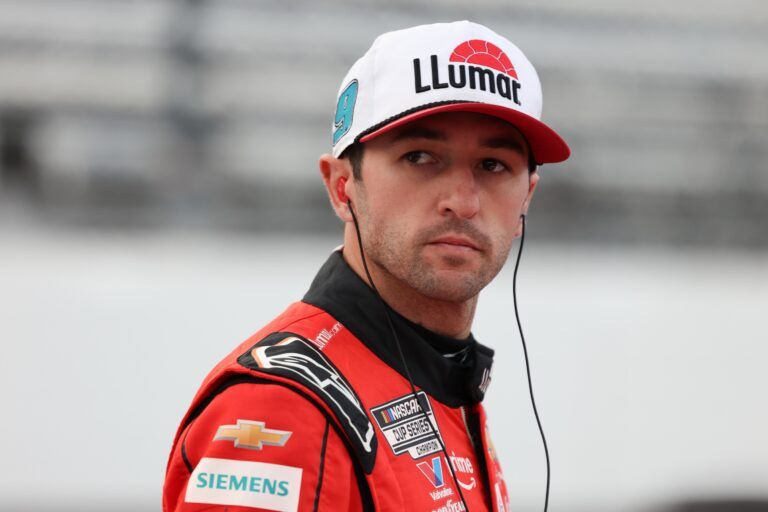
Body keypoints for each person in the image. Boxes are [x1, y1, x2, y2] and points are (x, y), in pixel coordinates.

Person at [163, 20, 569, 512]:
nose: (462, 202)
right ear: (341, 187)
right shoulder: (282, 408)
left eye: (493, 166)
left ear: (526, 197)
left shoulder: (444, 378)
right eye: (420, 157)